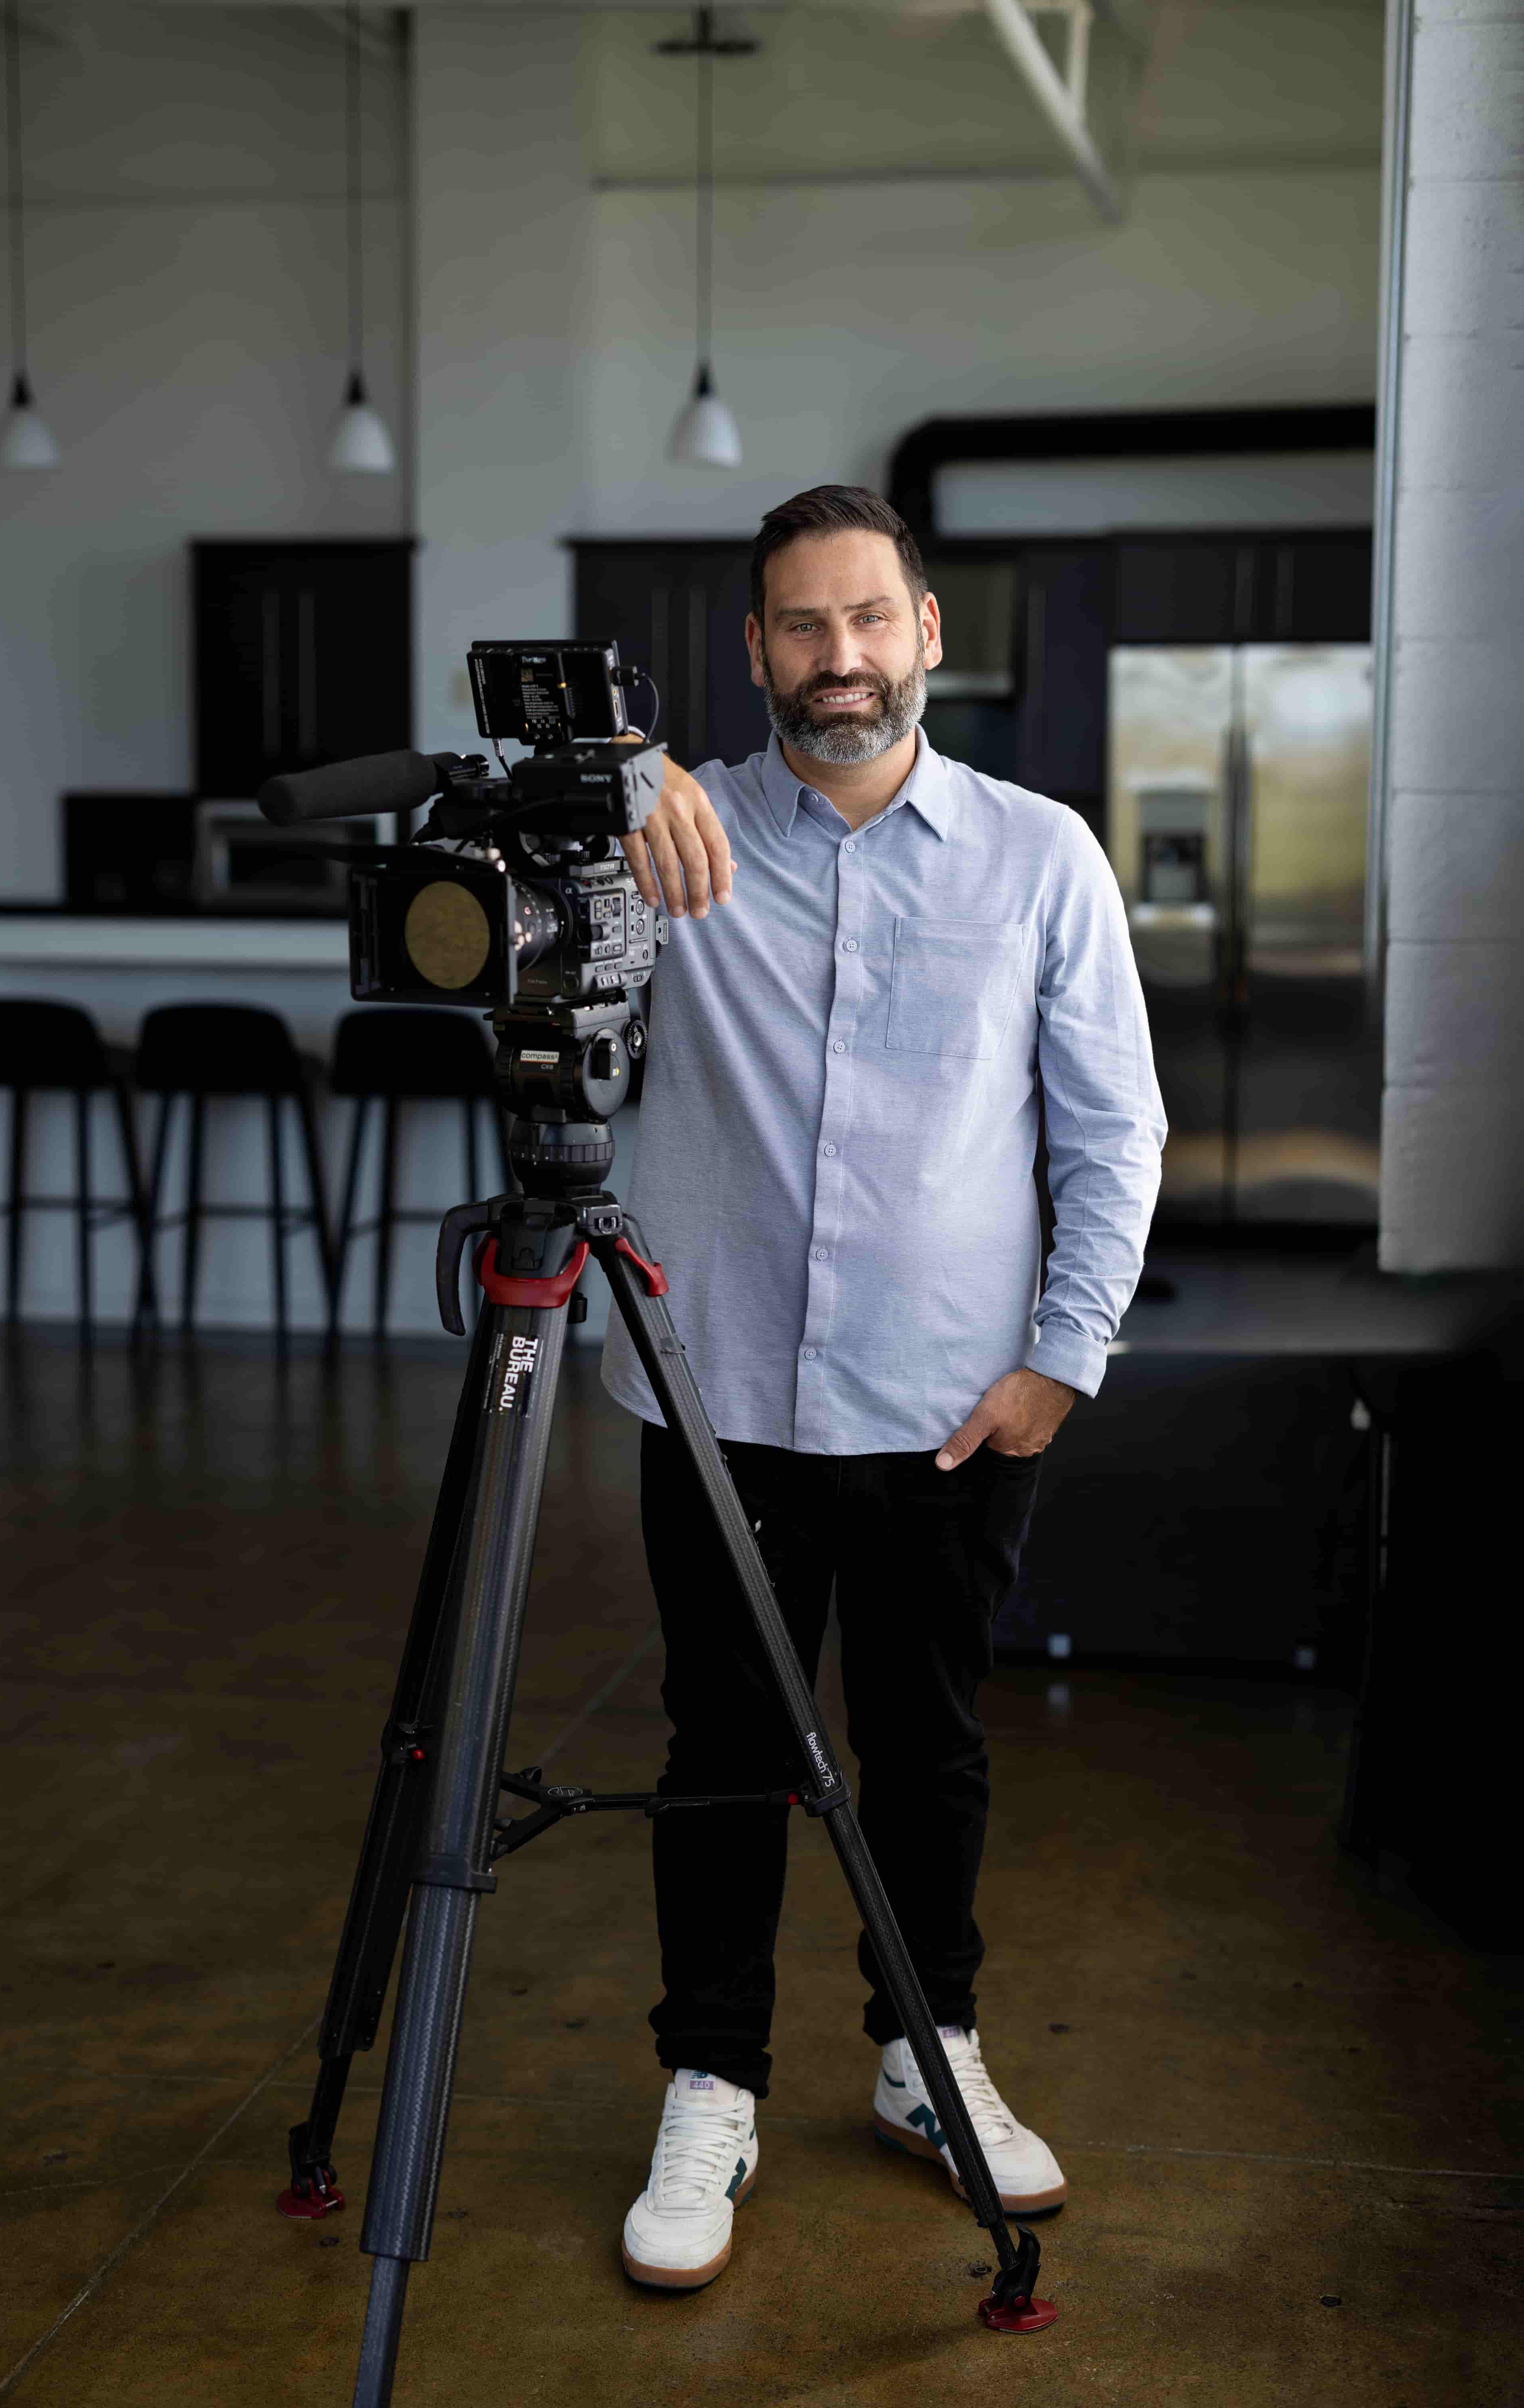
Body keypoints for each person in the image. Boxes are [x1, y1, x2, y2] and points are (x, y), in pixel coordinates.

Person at [601, 485, 1165, 2290]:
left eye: (865, 621)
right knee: (721, 1753)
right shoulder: (669, 842)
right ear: (752, 649)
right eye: (795, 626)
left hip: (947, 1410)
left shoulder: (1038, 857)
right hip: (719, 1405)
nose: (833, 659)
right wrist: (614, 777)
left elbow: (1111, 1132)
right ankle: (710, 2080)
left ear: (925, 632)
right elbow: (534, 944)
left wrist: (1056, 1364)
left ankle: (934, 2061)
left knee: (924, 1753)